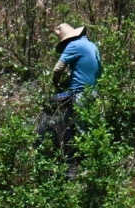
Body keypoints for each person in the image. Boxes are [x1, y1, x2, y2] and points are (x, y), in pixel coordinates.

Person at [38, 22, 103, 153]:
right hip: (96, 92)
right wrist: (68, 82)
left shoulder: (73, 45)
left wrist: (55, 83)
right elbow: (89, 71)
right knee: (98, 129)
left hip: (81, 94)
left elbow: (57, 69)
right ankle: (100, 163)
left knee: (82, 130)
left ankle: (85, 165)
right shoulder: (92, 45)